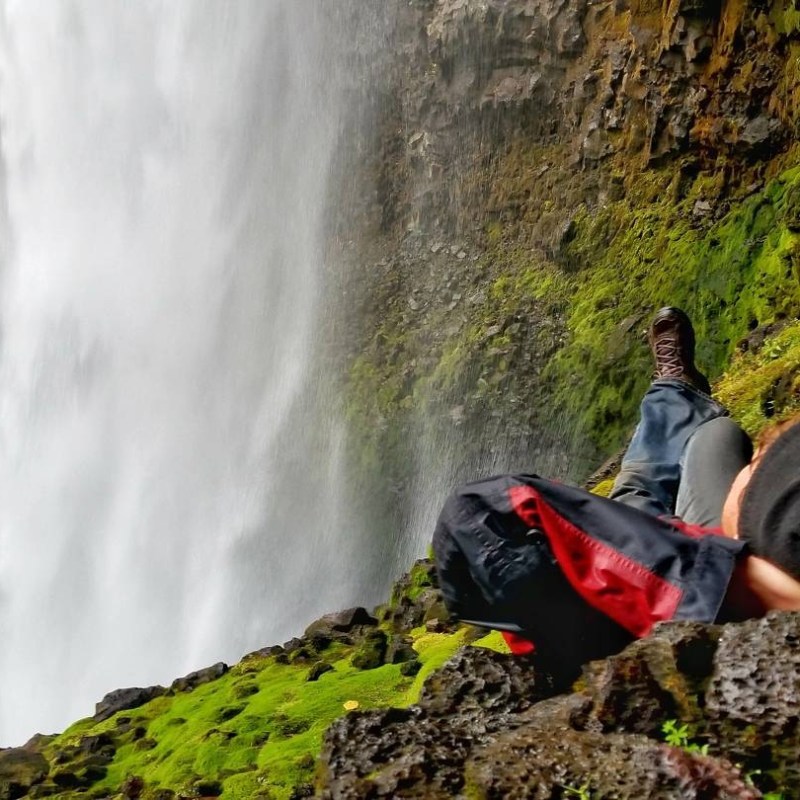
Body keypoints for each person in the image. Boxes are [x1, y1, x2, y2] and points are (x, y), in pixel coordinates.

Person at [432, 307, 800, 679]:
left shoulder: (725, 596)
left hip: (713, 582)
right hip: (735, 559)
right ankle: (674, 391)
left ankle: (673, 391)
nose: (754, 457)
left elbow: (478, 512)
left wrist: (746, 583)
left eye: (755, 464)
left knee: (641, 490)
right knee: (713, 437)